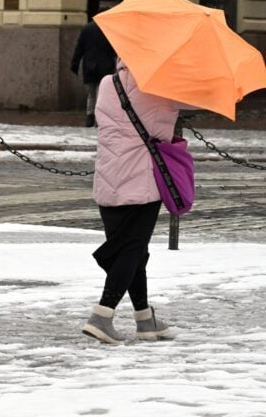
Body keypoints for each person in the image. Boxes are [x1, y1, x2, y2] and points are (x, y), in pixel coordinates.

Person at [82, 59, 187, 344]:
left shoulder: (107, 83)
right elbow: (193, 102)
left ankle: (144, 319)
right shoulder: (163, 89)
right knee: (132, 249)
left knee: (134, 252)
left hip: (108, 178)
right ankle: (102, 315)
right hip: (143, 181)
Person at [70, 20, 117, 127]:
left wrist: (75, 63)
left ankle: (89, 116)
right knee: (101, 94)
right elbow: (114, 48)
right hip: (105, 66)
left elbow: (79, 48)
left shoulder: (86, 28)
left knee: (91, 94)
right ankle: (98, 119)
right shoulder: (109, 28)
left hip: (89, 66)